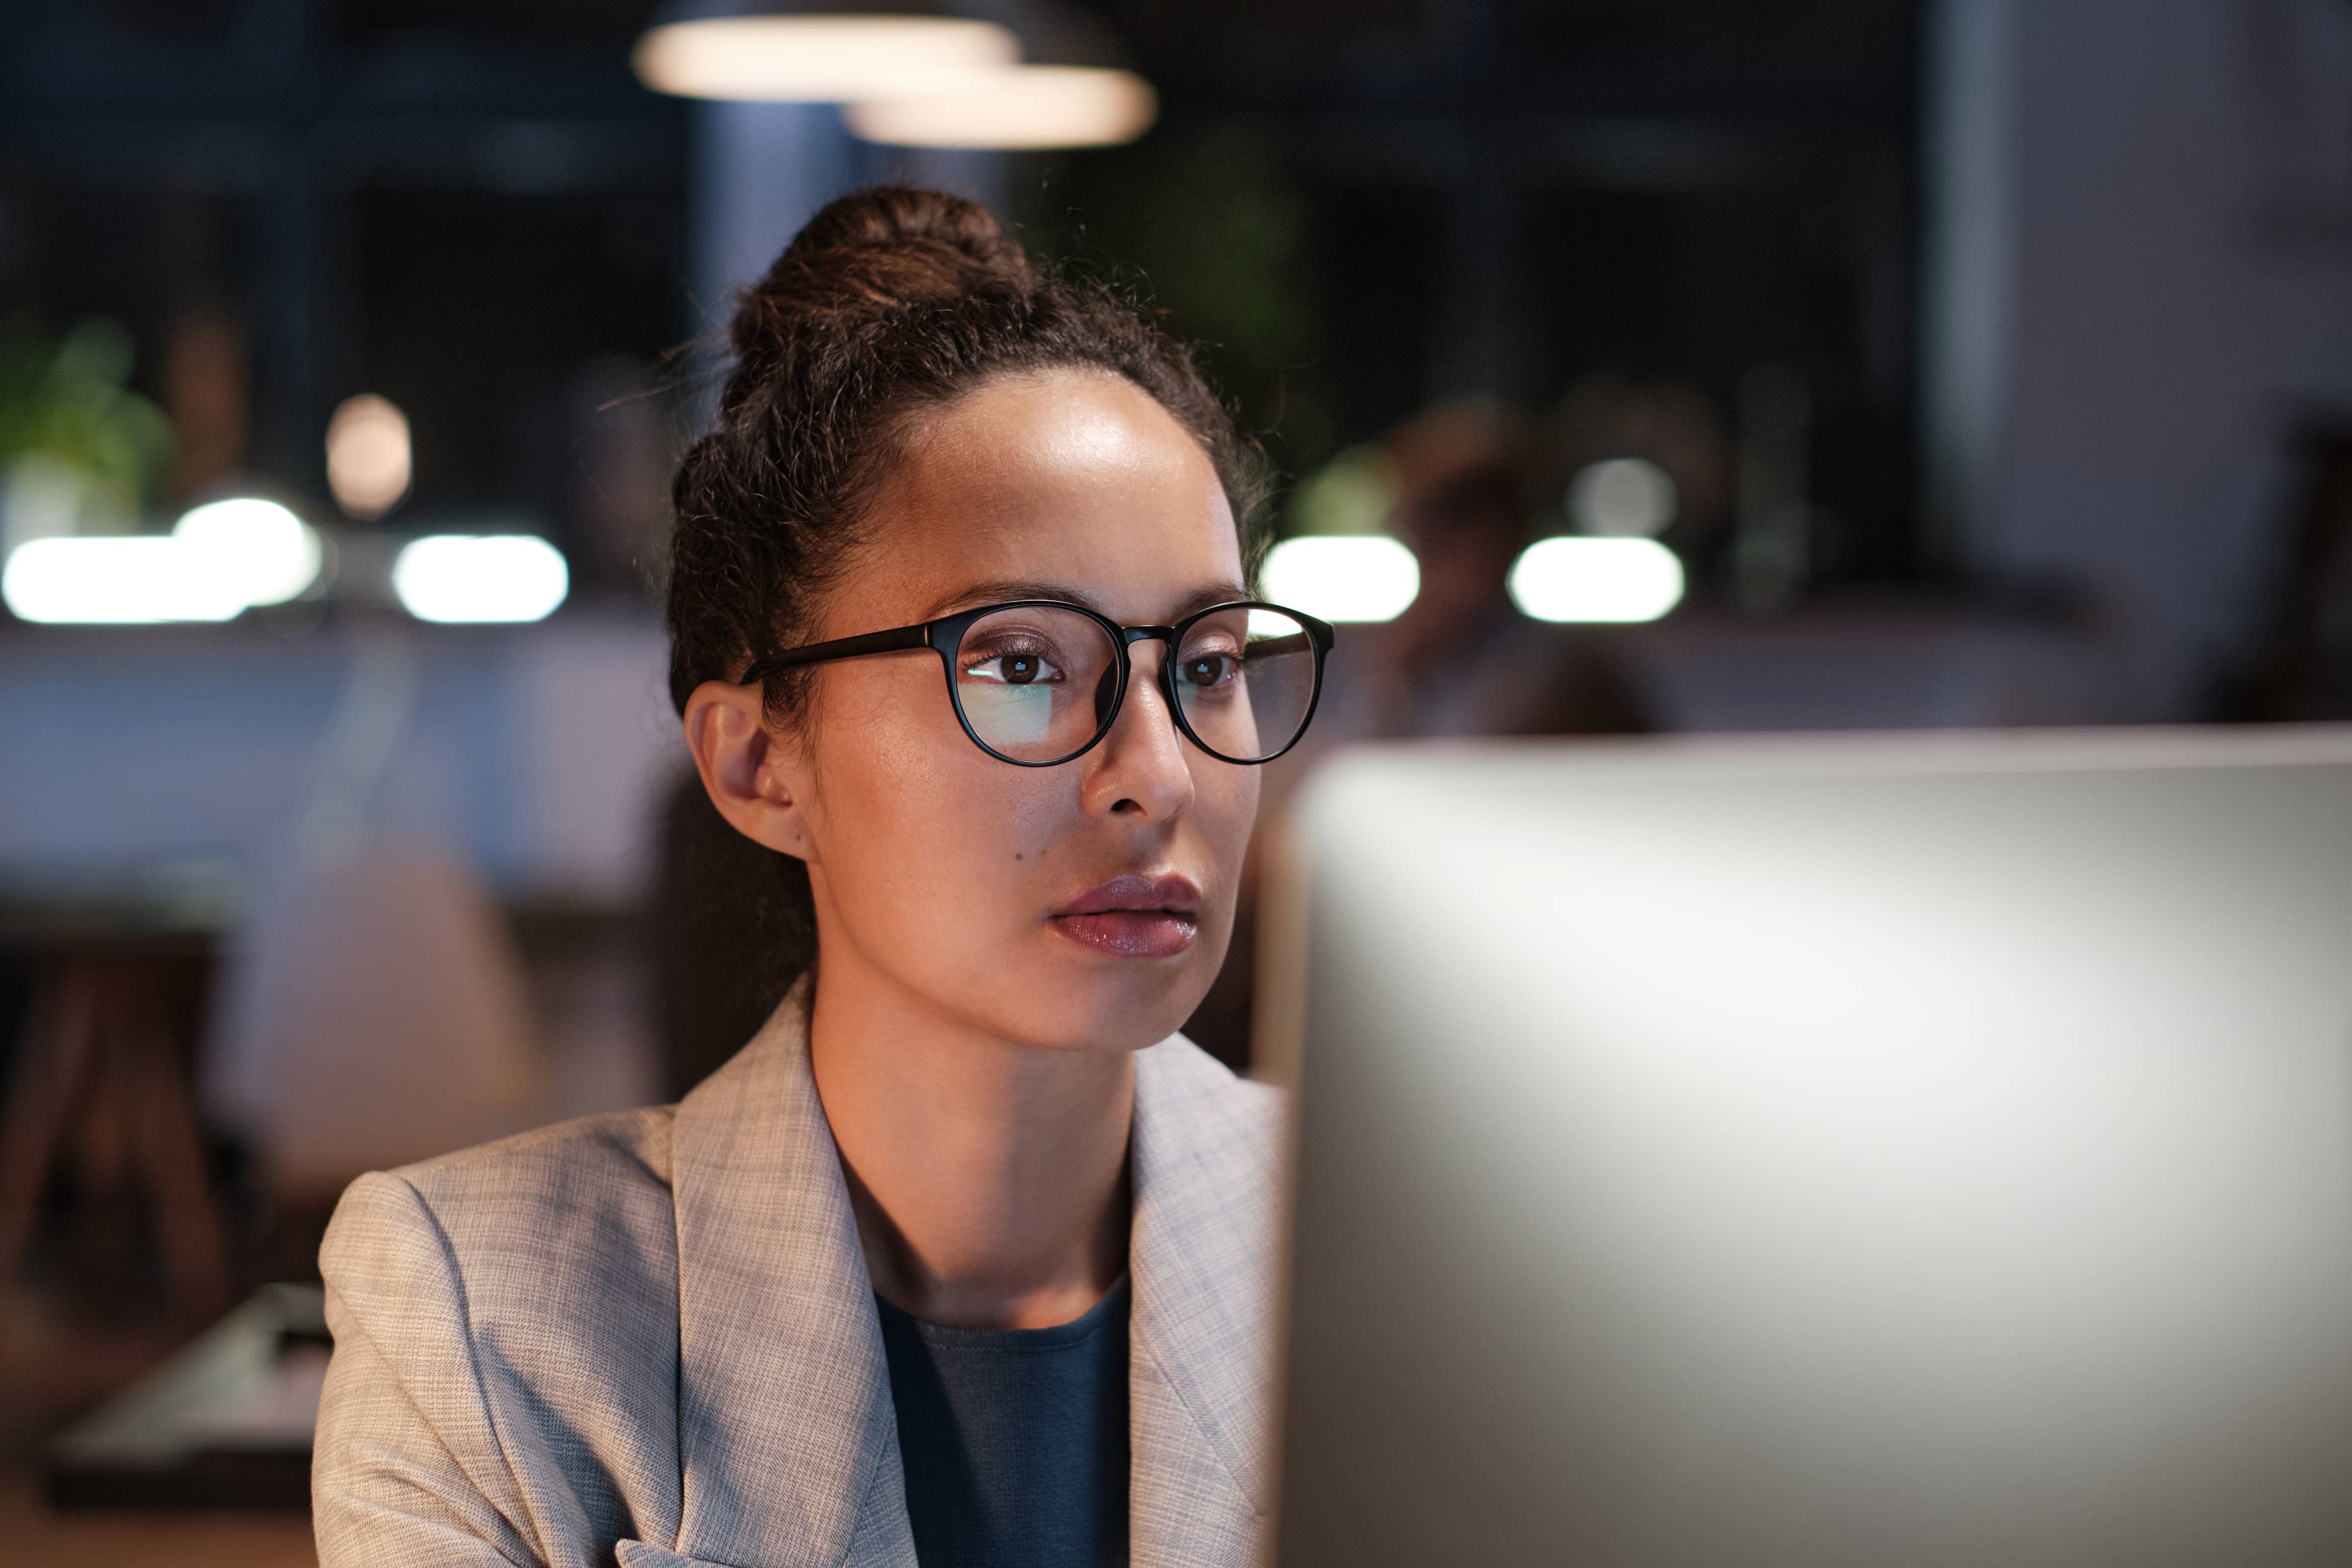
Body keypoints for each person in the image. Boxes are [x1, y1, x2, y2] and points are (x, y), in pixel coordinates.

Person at [309, 186, 1333, 1568]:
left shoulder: (1401, 1258)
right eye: (1022, 663)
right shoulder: (489, 1313)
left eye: (1205, 664)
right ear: (757, 762)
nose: (1155, 769)